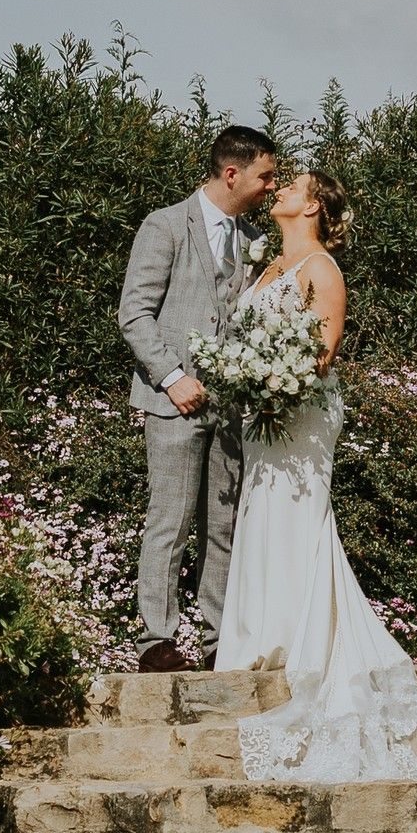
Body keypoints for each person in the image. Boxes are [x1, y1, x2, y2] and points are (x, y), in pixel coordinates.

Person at [214, 165, 417, 783]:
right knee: (260, 514)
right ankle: (257, 640)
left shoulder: (322, 270)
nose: (280, 191)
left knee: (296, 517)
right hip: (261, 408)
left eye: (293, 187)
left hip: (299, 411)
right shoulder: (266, 267)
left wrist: (271, 378)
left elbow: (322, 354)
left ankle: (302, 643)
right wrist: (244, 375)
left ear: (314, 207)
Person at [116, 124, 281, 671]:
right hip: (173, 401)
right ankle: (156, 643)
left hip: (230, 406)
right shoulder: (164, 225)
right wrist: (171, 376)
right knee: (171, 520)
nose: (270, 186)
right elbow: (134, 313)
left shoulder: (252, 238)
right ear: (231, 173)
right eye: (265, 175)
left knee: (224, 526)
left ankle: (219, 643)